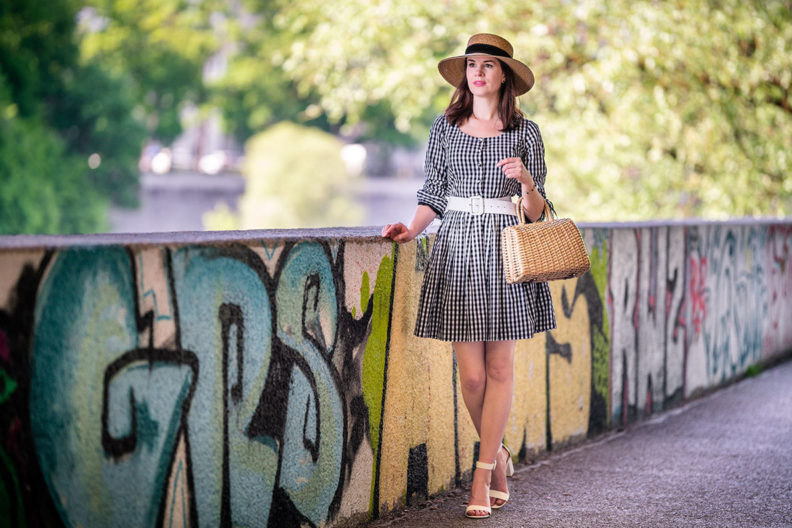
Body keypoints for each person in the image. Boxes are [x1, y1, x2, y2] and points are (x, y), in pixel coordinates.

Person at [381, 33, 557, 519]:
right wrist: (410, 229)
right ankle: (498, 453)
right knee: (473, 377)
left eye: (487, 65)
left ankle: (481, 474)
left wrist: (525, 180)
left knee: (500, 370)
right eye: (471, 65)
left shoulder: (527, 133)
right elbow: (432, 192)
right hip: (458, 246)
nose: (477, 72)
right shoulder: (445, 127)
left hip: (505, 248)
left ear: (504, 76)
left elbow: (536, 211)